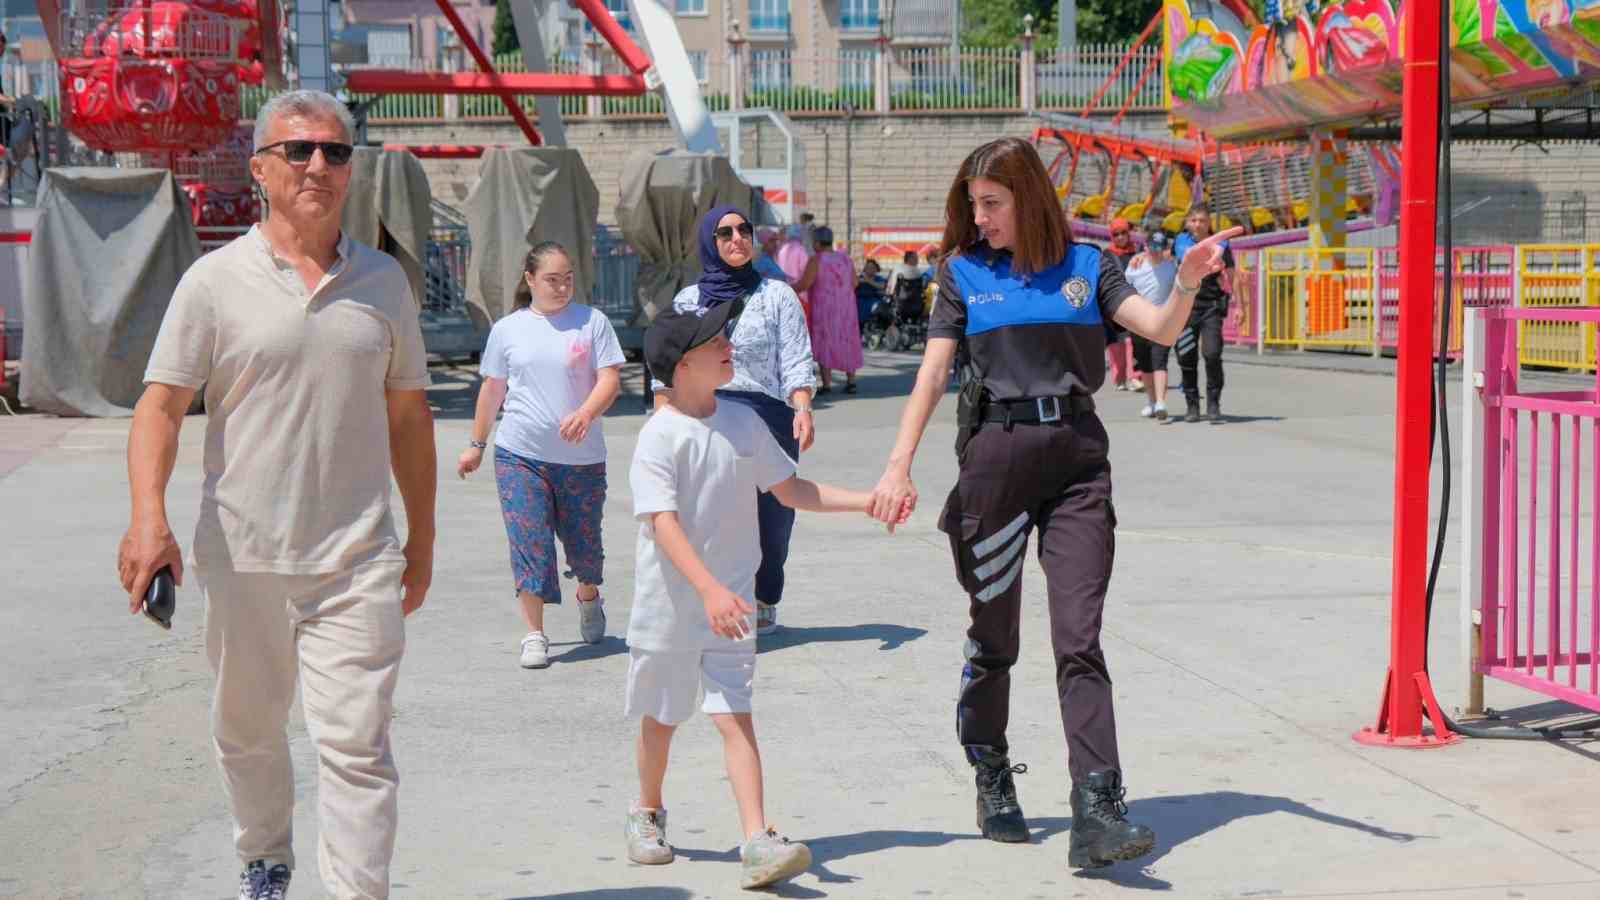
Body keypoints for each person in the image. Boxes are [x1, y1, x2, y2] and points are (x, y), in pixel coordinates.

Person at [866, 137, 1239, 870]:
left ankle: (1097, 809)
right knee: (995, 638)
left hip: (1076, 464)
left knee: (1079, 638)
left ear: (1028, 198)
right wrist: (897, 467)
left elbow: (1160, 329)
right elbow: (933, 375)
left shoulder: (1087, 267)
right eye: (974, 205)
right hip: (995, 467)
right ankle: (991, 767)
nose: (981, 218)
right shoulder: (963, 273)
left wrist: (1188, 281)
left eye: (993, 204)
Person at [116, 89, 437, 900]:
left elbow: (407, 415)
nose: (318, 166)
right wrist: (148, 519)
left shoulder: (383, 285)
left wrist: (422, 536)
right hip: (243, 549)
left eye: (334, 151)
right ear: (261, 168)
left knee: (357, 744)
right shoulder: (214, 282)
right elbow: (159, 406)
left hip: (357, 555)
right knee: (248, 729)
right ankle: (265, 859)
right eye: (298, 151)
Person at [624, 301, 898, 889]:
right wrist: (708, 591)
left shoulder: (744, 422)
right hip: (671, 609)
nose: (728, 343)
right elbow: (663, 524)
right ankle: (647, 812)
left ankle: (756, 839)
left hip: (733, 608)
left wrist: (865, 501)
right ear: (682, 365)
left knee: (735, 718)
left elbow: (791, 487)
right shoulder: (659, 437)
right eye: (714, 341)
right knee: (662, 718)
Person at [457, 241, 625, 669]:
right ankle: (535, 633)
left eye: (568, 278)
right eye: (552, 279)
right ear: (530, 279)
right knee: (529, 542)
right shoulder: (508, 329)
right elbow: (493, 390)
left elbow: (609, 380)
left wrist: (587, 412)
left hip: (582, 459)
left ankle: (588, 593)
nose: (562, 287)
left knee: (585, 547)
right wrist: (477, 445)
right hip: (519, 454)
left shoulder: (592, 323)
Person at [654, 206, 816, 636]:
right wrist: (661, 423)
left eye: (744, 229)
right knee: (708, 514)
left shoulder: (777, 295)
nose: (737, 238)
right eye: (725, 233)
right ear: (710, 241)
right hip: (707, 413)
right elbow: (665, 366)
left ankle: (765, 595)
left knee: (774, 519)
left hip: (769, 415)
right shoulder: (689, 301)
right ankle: (715, 600)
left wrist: (802, 408)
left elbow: (797, 359)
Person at [1171, 206, 1237, 422]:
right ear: (1188, 222)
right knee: (1186, 356)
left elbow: (1232, 276)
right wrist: (1141, 257)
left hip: (1210, 307)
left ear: (1209, 223)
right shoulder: (1179, 242)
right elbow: (1161, 259)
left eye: (1202, 220)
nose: (1197, 224)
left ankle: (1213, 404)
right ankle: (1192, 405)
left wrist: (1242, 306)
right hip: (1185, 308)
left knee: (1212, 354)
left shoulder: (1222, 244)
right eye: (1193, 220)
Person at [792, 226, 863, 395]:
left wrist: (786, 288)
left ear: (816, 243)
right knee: (847, 340)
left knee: (825, 341)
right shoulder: (846, 259)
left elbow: (805, 284)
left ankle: (827, 384)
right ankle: (851, 381)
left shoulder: (816, 260)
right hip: (846, 309)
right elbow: (855, 283)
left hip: (824, 308)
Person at [1126, 230, 1178, 420]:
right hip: (1139, 321)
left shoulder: (1171, 267)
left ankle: (1161, 403)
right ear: (1146, 246)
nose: (1155, 251)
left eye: (1160, 247)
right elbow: (1124, 289)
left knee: (1160, 361)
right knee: (1145, 364)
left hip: (1161, 321)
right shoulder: (1135, 266)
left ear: (1165, 249)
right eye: (1152, 246)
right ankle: (1151, 401)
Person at [1102, 218, 1140, 392]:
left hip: (1133, 300)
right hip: (1113, 301)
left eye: (1123, 233)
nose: (1120, 237)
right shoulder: (1106, 254)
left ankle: (1135, 376)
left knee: (1133, 340)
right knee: (1115, 341)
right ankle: (1119, 378)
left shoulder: (1137, 253)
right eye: (1116, 234)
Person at [776, 224, 813, 321]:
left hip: (784, 292)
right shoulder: (801, 250)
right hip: (799, 294)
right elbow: (806, 271)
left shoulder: (782, 250)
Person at [856, 258, 885, 336]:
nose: (870, 269)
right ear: (865, 269)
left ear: (876, 269)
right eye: (868, 267)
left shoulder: (879, 278)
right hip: (860, 300)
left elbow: (882, 286)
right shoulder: (859, 277)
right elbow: (853, 284)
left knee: (879, 306)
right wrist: (861, 281)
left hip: (874, 300)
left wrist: (868, 281)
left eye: (872, 268)